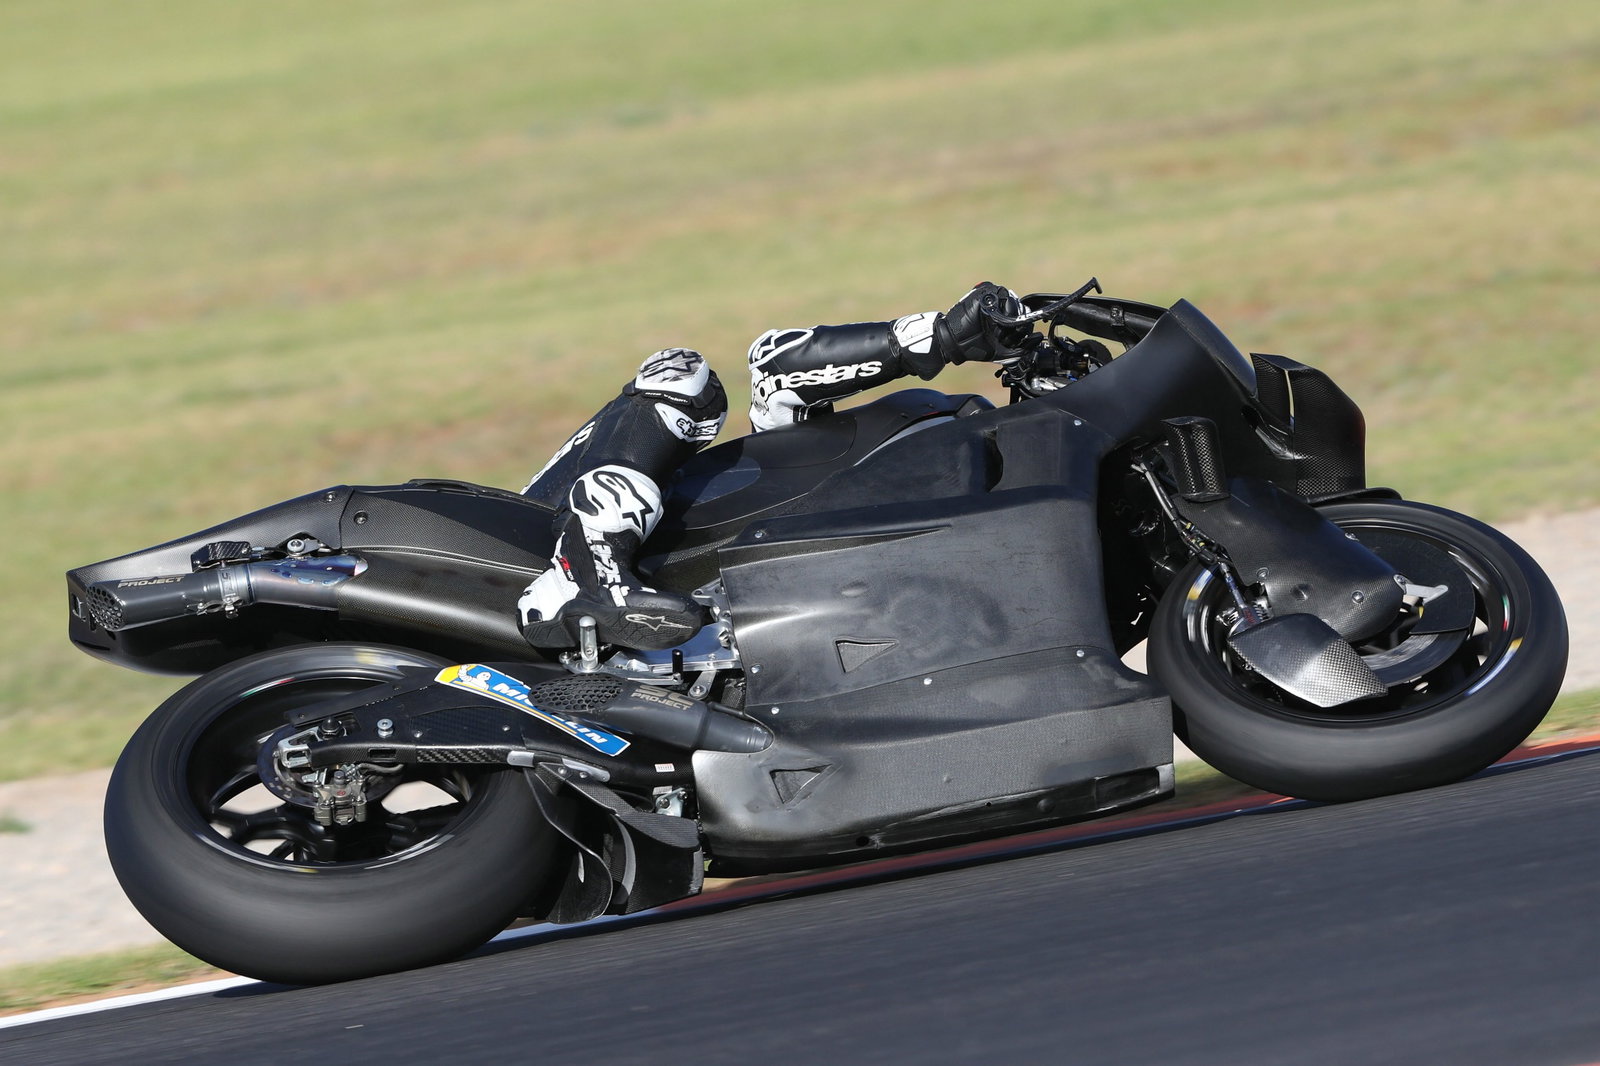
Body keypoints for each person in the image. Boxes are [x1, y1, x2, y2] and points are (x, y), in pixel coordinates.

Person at [517, 282, 1031, 650]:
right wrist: (944, 335)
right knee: (683, 377)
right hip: (533, 534)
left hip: (724, 536)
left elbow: (777, 377)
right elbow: (775, 362)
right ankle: (586, 572)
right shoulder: (843, 423)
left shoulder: (805, 462)